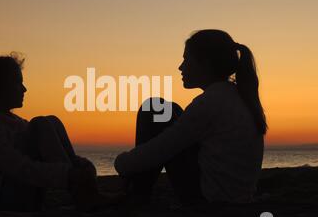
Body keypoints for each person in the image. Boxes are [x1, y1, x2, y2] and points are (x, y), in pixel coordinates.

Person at [114, 30, 267, 205]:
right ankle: (137, 191)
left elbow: (163, 147)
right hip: (234, 195)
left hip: (211, 199)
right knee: (171, 110)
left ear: (205, 63)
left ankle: (138, 194)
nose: (181, 67)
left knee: (154, 108)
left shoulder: (210, 102)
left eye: (186, 59)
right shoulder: (237, 96)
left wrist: (122, 164)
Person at [0, 54, 103, 213]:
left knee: (50, 121)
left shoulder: (15, 122)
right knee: (41, 123)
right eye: (18, 83)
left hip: (22, 194)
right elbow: (21, 168)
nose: (24, 89)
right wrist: (68, 175)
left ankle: (82, 190)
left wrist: (80, 166)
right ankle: (81, 192)